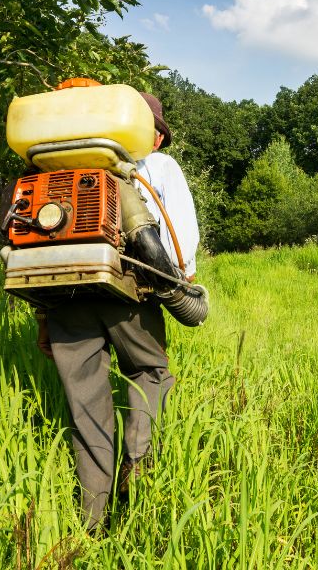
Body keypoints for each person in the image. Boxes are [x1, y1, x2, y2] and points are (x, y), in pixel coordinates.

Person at [35, 92, 199, 531]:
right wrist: (179, 287)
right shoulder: (158, 167)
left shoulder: (53, 170)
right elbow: (181, 240)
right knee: (150, 372)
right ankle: (137, 472)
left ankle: (92, 520)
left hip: (63, 295)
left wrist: (44, 320)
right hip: (132, 290)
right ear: (154, 136)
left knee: (84, 404)